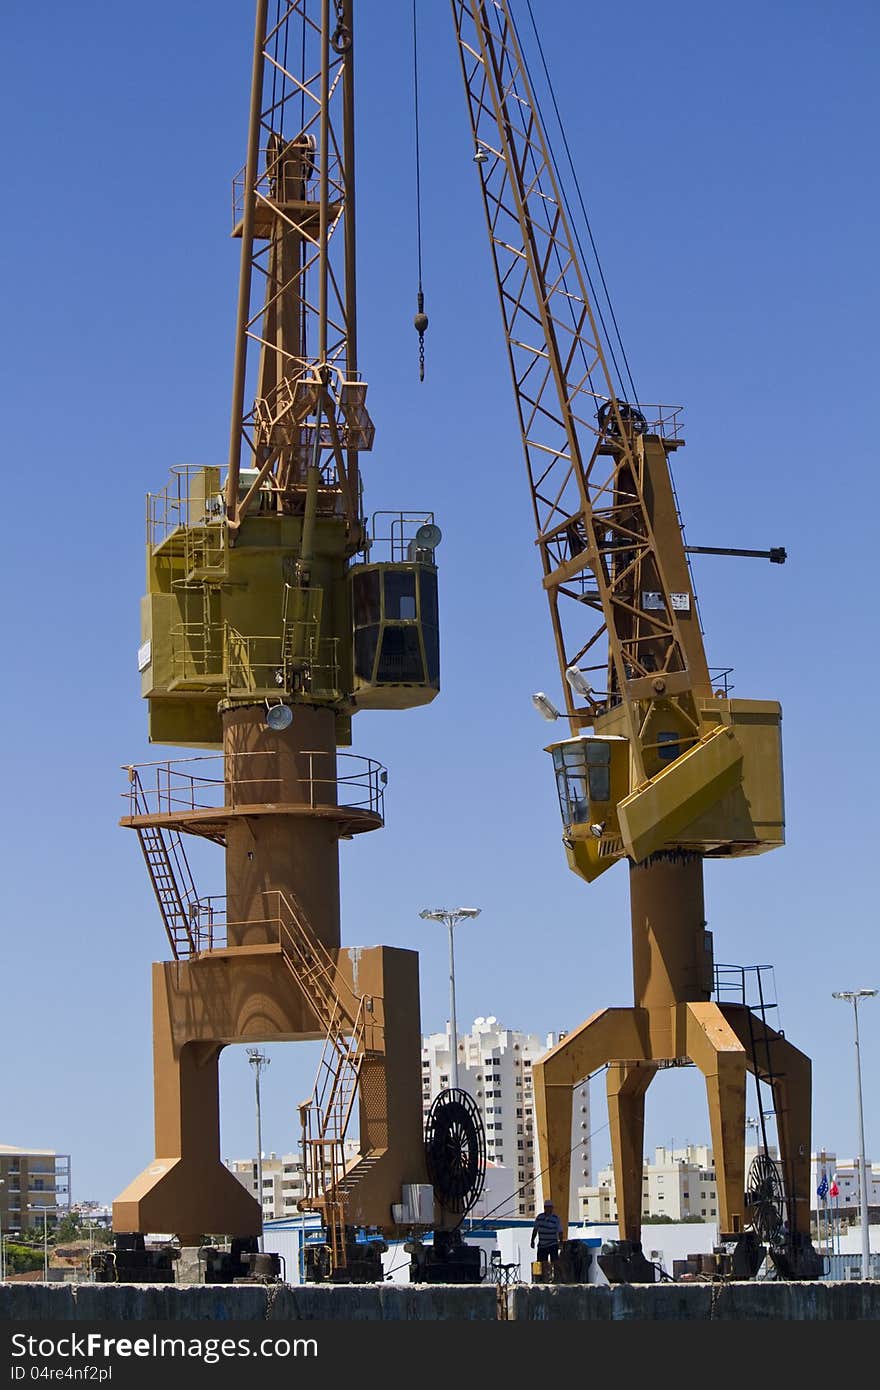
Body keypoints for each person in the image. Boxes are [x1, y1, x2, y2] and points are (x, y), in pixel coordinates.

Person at [530, 1199, 563, 1263]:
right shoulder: (539, 1217)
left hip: (553, 1244)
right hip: (542, 1245)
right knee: (542, 1264)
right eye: (547, 1207)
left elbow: (560, 1231)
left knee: (555, 1263)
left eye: (550, 1207)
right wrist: (532, 1240)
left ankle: (554, 1272)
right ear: (545, 1208)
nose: (549, 1209)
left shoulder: (555, 1218)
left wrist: (560, 1242)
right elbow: (535, 1230)